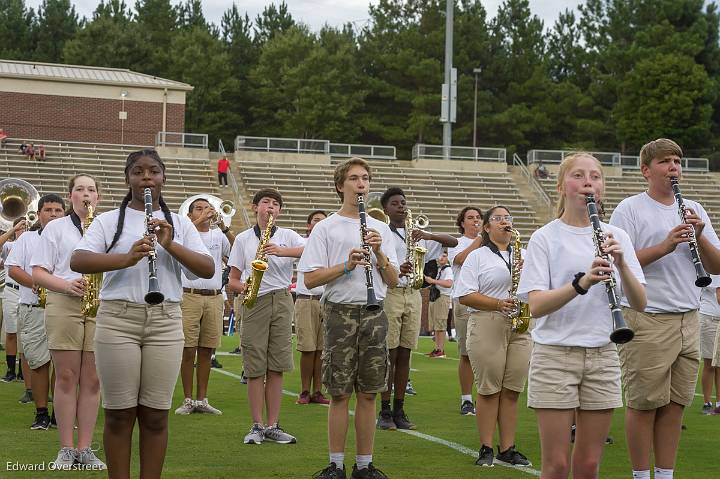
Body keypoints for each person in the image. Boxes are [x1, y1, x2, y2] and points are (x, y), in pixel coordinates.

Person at [70, 149, 214, 479]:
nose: (146, 177)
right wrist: (127, 258)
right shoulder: (108, 220)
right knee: (120, 414)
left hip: (165, 320)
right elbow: (78, 260)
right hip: (119, 319)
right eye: (138, 172)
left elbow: (206, 269)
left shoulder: (178, 223)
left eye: (153, 171)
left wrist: (170, 244)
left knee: (156, 415)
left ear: (164, 177)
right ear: (128, 179)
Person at [518, 152, 647, 479]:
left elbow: (641, 302)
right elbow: (535, 305)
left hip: (603, 354)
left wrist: (621, 265)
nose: (588, 182)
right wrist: (582, 282)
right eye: (578, 175)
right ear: (561, 186)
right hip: (555, 354)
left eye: (595, 176)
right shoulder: (545, 238)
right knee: (557, 464)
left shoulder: (618, 236)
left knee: (589, 464)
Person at [610, 138, 720, 479]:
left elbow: (716, 266)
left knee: (675, 407)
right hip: (647, 318)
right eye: (665, 162)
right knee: (644, 404)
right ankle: (641, 475)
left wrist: (698, 236)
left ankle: (665, 474)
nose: (674, 167)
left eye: (677, 161)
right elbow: (619, 265)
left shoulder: (695, 209)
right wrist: (664, 246)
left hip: (690, 316)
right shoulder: (629, 209)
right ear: (646, 170)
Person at [299, 157, 399, 479]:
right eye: (354, 178)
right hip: (340, 312)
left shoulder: (381, 228)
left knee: (369, 392)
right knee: (339, 392)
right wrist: (346, 265)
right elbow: (310, 280)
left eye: (365, 178)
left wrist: (380, 253)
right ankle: (337, 464)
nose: (361, 184)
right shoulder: (326, 227)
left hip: (374, 313)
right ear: (340, 185)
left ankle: (365, 466)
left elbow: (394, 280)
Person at [31, 175, 105, 469]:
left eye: (91, 189)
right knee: (65, 377)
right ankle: (66, 448)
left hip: (100, 303)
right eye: (80, 190)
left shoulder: (107, 226)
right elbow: (38, 272)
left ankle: (85, 448)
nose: (86, 194)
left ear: (98, 197)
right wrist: (65, 285)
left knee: (92, 380)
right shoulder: (56, 228)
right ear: (70, 196)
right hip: (64, 303)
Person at [455, 206, 532, 467]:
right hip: (488, 321)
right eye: (497, 218)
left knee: (512, 390)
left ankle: (507, 448)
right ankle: (486, 447)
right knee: (489, 389)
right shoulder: (477, 256)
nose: (504, 222)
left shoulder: (525, 253)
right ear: (487, 228)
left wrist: (528, 271)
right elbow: (464, 295)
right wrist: (497, 304)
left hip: (520, 324)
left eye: (508, 218)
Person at [227, 188, 304, 445]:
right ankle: (257, 424)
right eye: (266, 203)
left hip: (282, 299)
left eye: (275, 204)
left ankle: (273, 425)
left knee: (277, 365)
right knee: (255, 366)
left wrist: (282, 252)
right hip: (254, 300)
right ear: (255, 207)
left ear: (279, 211)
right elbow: (233, 280)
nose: (270, 207)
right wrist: (246, 288)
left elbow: (311, 250)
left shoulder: (288, 236)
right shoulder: (243, 239)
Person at [377, 187, 456, 430]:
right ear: (385, 209)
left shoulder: (415, 234)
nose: (401, 206)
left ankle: (400, 409)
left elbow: (452, 242)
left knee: (405, 353)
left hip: (413, 293)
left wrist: (428, 236)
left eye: (403, 202)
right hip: (391, 293)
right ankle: (385, 410)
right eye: (395, 203)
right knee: (389, 354)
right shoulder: (382, 232)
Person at [7, 194, 66, 430]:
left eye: (58, 210)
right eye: (48, 210)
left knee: (62, 364)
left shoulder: (72, 236)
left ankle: (59, 414)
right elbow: (12, 269)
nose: (53, 214)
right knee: (39, 363)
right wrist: (36, 281)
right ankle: (41, 413)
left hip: (63, 306)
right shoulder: (27, 239)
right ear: (39, 214)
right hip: (34, 306)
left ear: (64, 213)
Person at [175, 197, 233, 416]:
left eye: (207, 208)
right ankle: (188, 399)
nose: (205, 211)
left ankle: (202, 399)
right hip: (189, 295)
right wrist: (199, 220)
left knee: (207, 349)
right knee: (188, 349)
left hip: (214, 296)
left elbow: (237, 251)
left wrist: (224, 227)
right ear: (189, 215)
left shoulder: (218, 234)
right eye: (198, 209)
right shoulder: (185, 234)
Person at [448, 206, 484, 416]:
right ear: (462, 223)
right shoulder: (457, 242)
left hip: (484, 299)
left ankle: (484, 395)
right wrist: (479, 241)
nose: (475, 221)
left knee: (485, 352)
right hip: (463, 300)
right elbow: (460, 260)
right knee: (466, 353)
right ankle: (466, 399)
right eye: (470, 218)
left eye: (478, 217)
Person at [296, 209, 330, 405]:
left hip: (325, 300)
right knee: (308, 348)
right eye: (315, 220)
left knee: (321, 350)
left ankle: (318, 391)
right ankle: (304, 390)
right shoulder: (304, 242)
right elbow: (300, 251)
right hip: (307, 300)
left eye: (323, 221)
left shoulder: (328, 244)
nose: (319, 224)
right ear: (309, 226)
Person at [0, 218, 27, 383]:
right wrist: (13, 229)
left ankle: (24, 371)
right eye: (20, 227)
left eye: (25, 227)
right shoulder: (10, 245)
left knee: (26, 333)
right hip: (11, 291)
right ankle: (10, 370)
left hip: (26, 290)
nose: (23, 230)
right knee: (11, 332)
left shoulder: (33, 242)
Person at [425, 251, 453, 358]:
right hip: (435, 298)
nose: (441, 257)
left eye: (444, 256)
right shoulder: (439, 270)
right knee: (436, 326)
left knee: (440, 325)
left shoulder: (448, 269)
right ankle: (437, 349)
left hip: (442, 298)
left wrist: (433, 281)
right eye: (440, 255)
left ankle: (441, 350)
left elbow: (449, 283)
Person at [699, 275, 720, 413]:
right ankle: (707, 402)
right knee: (710, 364)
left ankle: (719, 403)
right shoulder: (716, 267)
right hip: (710, 319)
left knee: (718, 364)